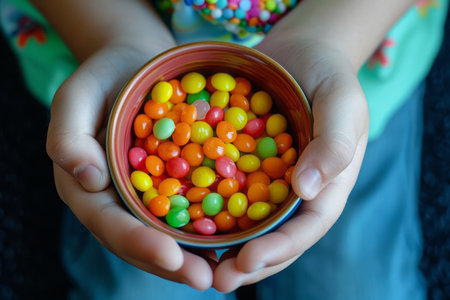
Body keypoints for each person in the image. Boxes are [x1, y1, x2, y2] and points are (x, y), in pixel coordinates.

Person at [0, 0, 447, 299]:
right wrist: (111, 36)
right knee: (137, 286)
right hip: (94, 28)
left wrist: (333, 39)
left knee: (358, 283)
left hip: (358, 45)